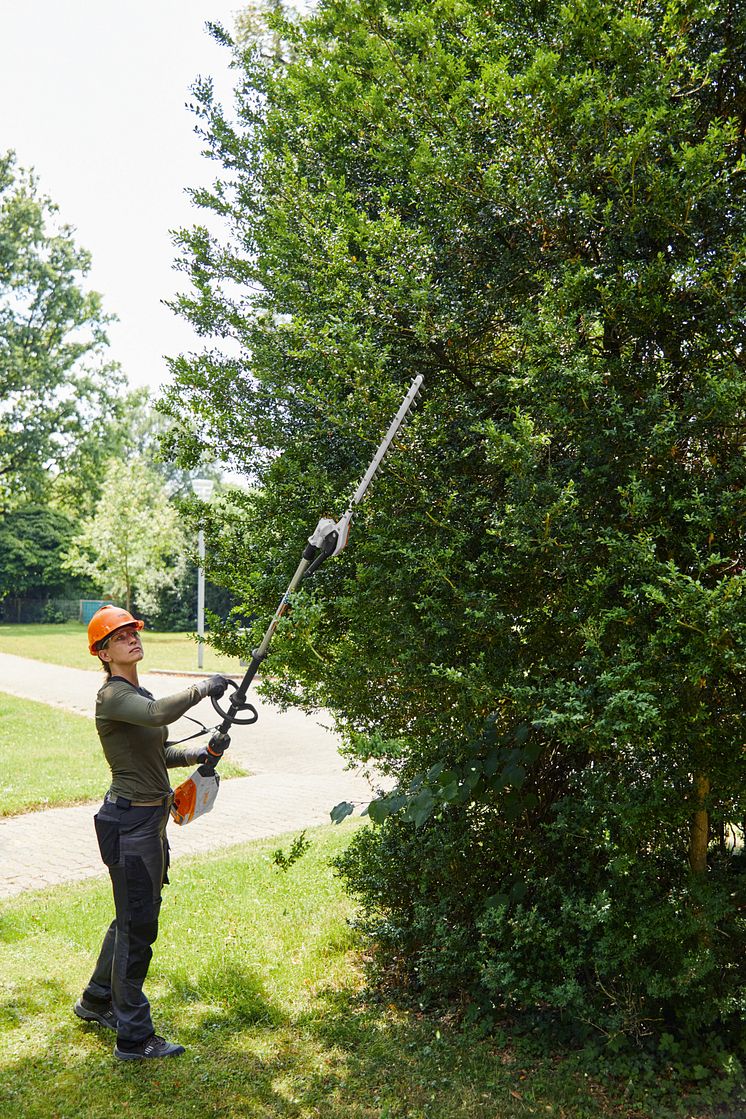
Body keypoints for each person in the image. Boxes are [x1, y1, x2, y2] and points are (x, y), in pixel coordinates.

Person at [73, 604, 230, 1061]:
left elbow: (160, 754)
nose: (132, 639)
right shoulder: (113, 697)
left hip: (147, 822)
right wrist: (202, 687)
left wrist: (204, 752)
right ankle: (134, 1037)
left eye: (133, 632)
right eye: (120, 637)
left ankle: (97, 1000)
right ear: (103, 653)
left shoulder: (137, 693)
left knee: (129, 918)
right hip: (129, 825)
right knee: (139, 927)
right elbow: (162, 713)